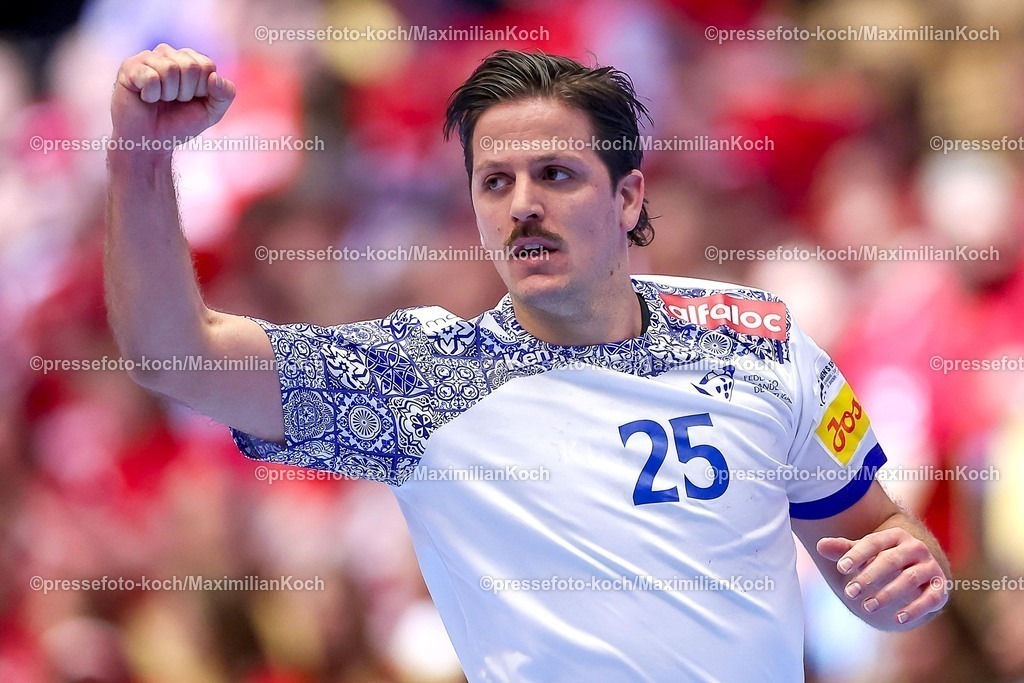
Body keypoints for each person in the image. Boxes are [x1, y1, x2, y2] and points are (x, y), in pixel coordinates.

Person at [106, 44, 950, 681]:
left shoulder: (756, 337)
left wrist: (914, 565)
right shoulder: (420, 381)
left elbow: (875, 542)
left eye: (555, 174)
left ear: (628, 196)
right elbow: (173, 354)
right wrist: (140, 157)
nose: (523, 206)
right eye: (495, 182)